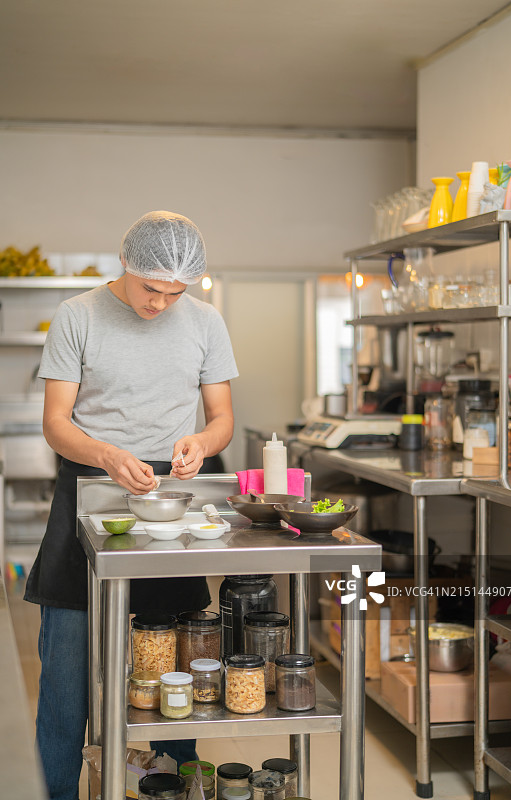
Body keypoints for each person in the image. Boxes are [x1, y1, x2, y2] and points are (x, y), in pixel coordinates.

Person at [24, 211, 239, 800]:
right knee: (66, 677)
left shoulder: (205, 321)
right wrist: (106, 455)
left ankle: (170, 787)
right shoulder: (78, 315)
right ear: (127, 263)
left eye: (176, 293)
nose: (161, 303)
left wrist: (201, 441)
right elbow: (55, 424)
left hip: (168, 505)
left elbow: (221, 420)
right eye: (151, 289)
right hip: (86, 496)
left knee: (171, 667)